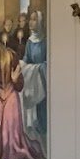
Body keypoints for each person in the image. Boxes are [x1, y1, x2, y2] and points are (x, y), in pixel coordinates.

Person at [21, 9, 47, 138]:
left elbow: (48, 61)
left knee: (44, 105)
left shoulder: (45, 40)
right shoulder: (30, 41)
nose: (31, 22)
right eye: (30, 19)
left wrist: (39, 68)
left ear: (40, 22)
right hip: (33, 77)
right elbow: (26, 58)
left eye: (34, 19)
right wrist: (21, 65)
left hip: (43, 77)